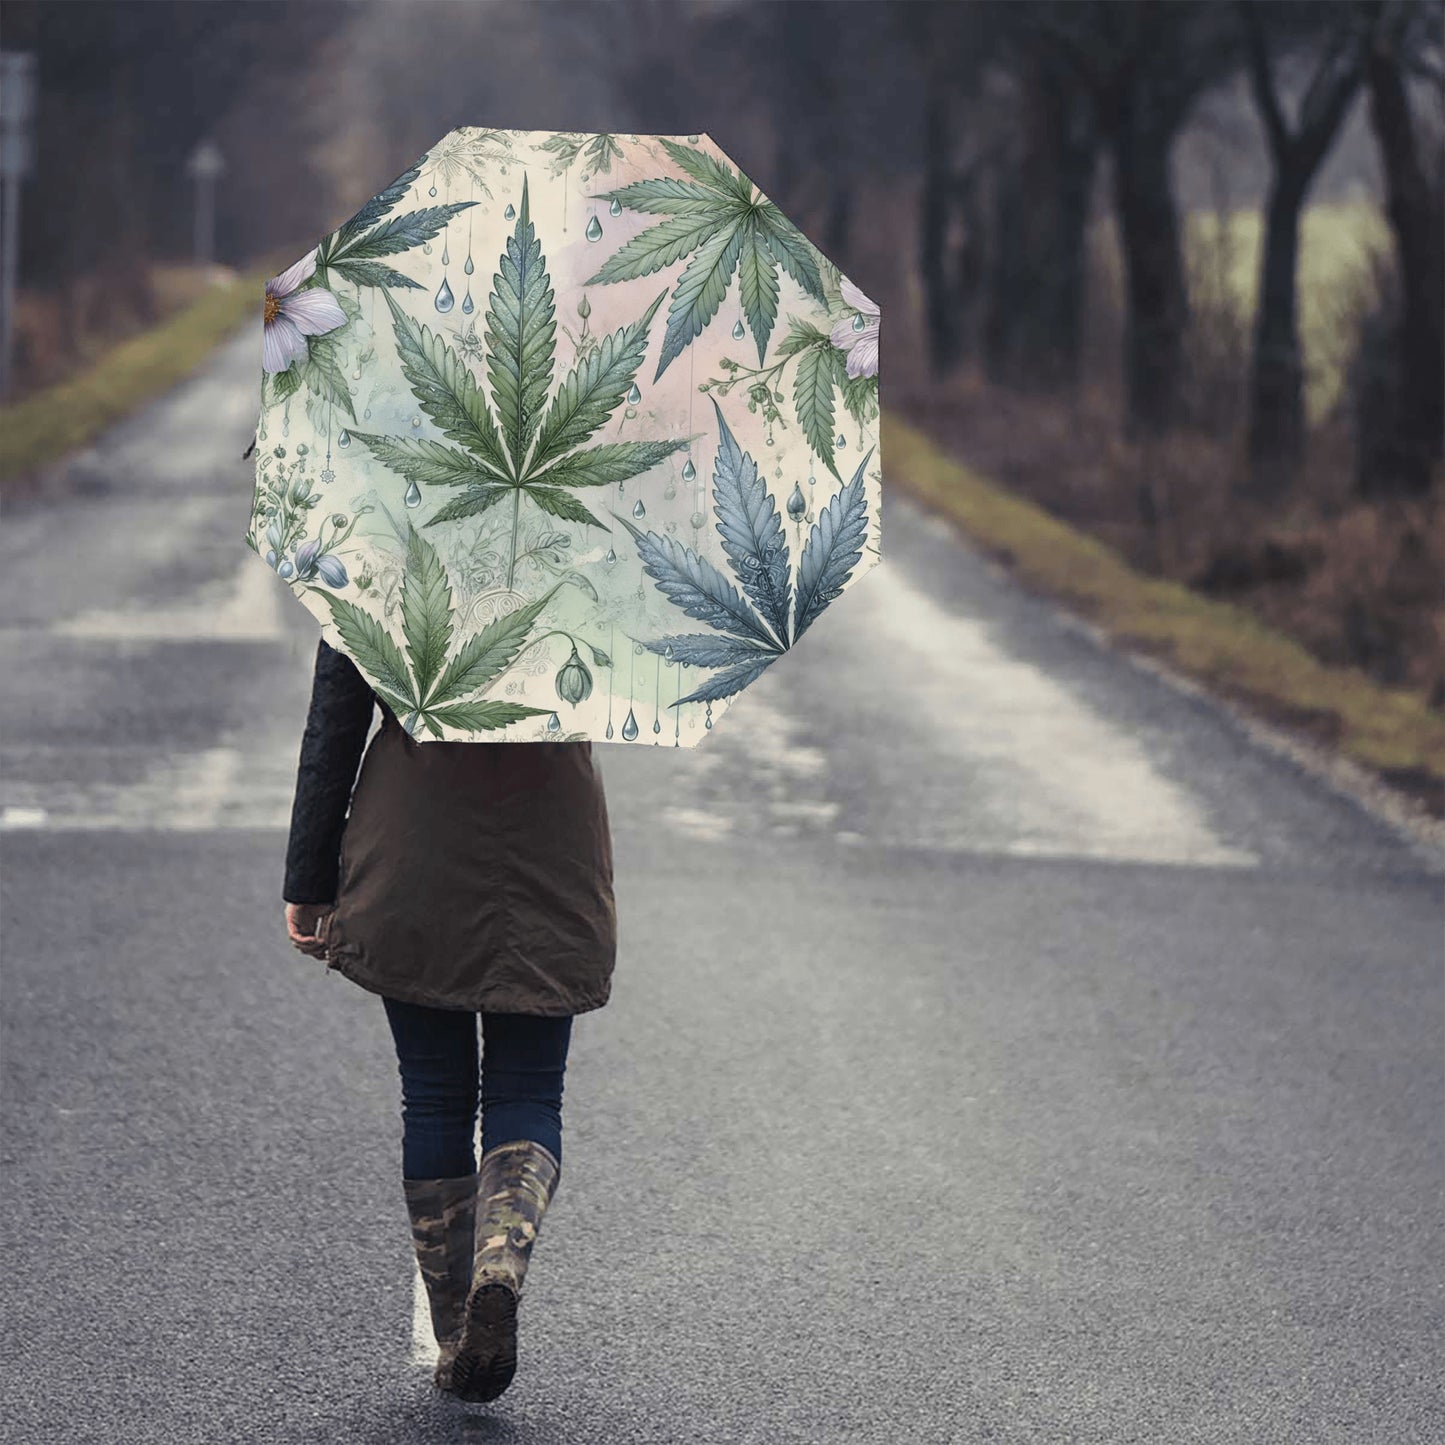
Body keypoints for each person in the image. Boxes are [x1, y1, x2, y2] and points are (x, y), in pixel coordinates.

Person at [281, 635, 617, 1402]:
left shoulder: (381, 540)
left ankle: (458, 1330)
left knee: (433, 1090)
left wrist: (309, 876)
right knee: (529, 1086)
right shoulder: (595, 545)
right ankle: (502, 1264)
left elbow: (333, 722)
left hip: (414, 827)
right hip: (550, 828)